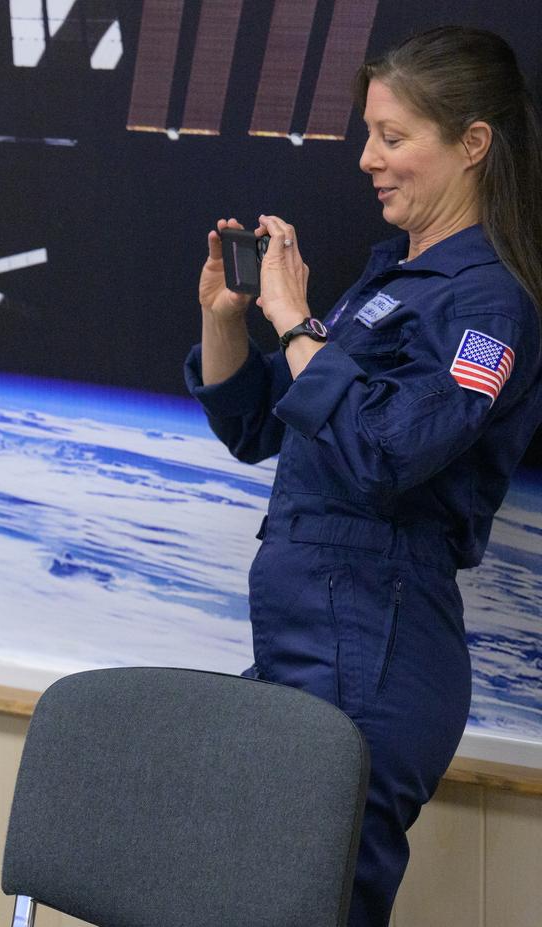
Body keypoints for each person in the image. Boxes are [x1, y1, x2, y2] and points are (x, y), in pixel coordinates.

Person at [184, 26, 542, 927]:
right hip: (307, 636)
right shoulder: (394, 278)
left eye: (392, 136)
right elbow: (258, 425)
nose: (368, 159)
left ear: (471, 144)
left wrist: (298, 321)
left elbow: (387, 454)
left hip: (377, 641)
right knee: (243, 896)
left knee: (315, 909)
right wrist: (231, 320)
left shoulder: (488, 302)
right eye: (368, 133)